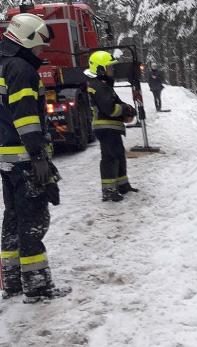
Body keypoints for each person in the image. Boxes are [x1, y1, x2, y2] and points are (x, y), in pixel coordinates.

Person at [0, 13, 71, 303]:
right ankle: (37, 286)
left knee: (13, 218)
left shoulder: (4, 65)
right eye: (39, 46)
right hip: (24, 159)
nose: (41, 52)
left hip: (5, 158)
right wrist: (39, 156)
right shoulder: (22, 69)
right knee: (33, 221)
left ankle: (13, 280)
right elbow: (27, 118)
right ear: (27, 40)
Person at [84, 51, 139, 202]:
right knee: (110, 157)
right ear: (100, 69)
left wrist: (126, 108)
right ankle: (108, 190)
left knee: (119, 154)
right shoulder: (99, 86)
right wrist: (125, 109)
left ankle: (122, 185)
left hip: (110, 127)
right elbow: (110, 108)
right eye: (109, 67)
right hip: (106, 127)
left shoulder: (104, 85)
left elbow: (115, 104)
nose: (112, 70)